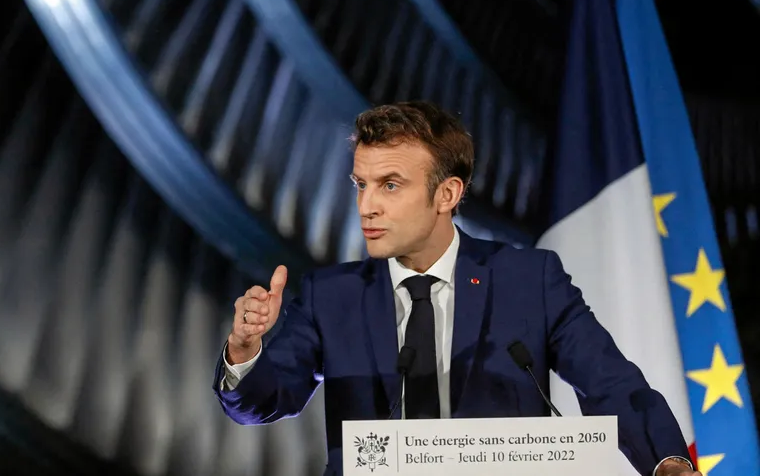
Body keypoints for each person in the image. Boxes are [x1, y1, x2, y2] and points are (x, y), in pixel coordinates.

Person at [212, 101, 699, 476]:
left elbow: (611, 385)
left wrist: (667, 462)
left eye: (391, 185)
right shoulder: (332, 295)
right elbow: (263, 403)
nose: (367, 207)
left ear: (447, 194)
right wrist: (245, 348)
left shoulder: (529, 281)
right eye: (361, 184)